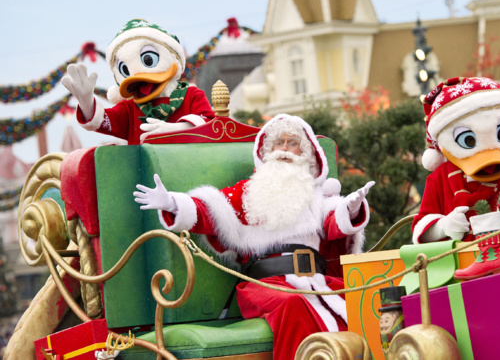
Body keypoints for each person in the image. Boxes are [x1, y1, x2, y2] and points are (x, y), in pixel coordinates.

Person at [134, 114, 374, 359]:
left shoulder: (316, 196)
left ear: (306, 154)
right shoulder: (249, 193)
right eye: (279, 142)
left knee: (369, 296)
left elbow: (335, 223)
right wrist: (173, 203)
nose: (285, 149)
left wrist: (351, 208)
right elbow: (210, 210)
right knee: (293, 304)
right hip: (265, 284)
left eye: (293, 143)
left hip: (315, 279)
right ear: (267, 149)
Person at [412, 77, 500, 280]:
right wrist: (443, 226)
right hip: (460, 273)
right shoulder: (440, 178)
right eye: (469, 139)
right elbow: (421, 229)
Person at [62, 19, 214, 145]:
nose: (139, 76)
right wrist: (86, 103)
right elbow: (102, 121)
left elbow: (210, 124)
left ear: (172, 57)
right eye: (125, 70)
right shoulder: (131, 108)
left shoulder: (191, 95)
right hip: (143, 179)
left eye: (148, 60)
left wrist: (176, 128)